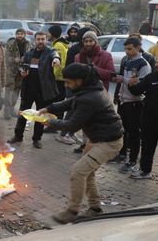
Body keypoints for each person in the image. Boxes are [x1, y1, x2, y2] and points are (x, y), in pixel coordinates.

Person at [39, 63, 123, 224]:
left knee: (78, 172)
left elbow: (72, 125)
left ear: (79, 80)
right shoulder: (90, 88)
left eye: (68, 82)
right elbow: (70, 102)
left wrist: (50, 122)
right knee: (87, 172)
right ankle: (95, 208)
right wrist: (49, 108)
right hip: (97, 138)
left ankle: (72, 210)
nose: (66, 85)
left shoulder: (90, 98)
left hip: (109, 142)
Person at [8, 31, 60, 149]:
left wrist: (56, 60)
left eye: (43, 39)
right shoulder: (29, 53)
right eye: (38, 39)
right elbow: (22, 66)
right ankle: (18, 136)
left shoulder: (50, 52)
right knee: (22, 113)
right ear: (35, 40)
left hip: (43, 90)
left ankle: (37, 139)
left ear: (46, 40)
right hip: (28, 88)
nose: (40, 41)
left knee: (40, 115)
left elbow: (55, 56)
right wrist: (22, 72)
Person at [128, 53, 158, 183]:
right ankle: (145, 171)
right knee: (147, 147)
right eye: (156, 62)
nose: (156, 65)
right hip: (149, 120)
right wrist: (132, 84)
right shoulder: (152, 76)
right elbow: (137, 91)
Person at [112, 37, 151, 170]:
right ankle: (122, 154)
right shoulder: (128, 61)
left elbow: (142, 84)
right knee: (124, 130)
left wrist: (125, 80)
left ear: (138, 47)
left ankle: (132, 161)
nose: (127, 51)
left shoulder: (143, 64)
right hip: (124, 101)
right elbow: (127, 81)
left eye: (130, 49)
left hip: (135, 103)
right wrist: (120, 88)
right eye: (125, 49)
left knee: (134, 133)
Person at [4, 28, 31, 120]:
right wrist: (14, 59)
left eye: (21, 34)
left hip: (21, 70)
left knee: (17, 90)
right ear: (16, 35)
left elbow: (31, 55)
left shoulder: (28, 44)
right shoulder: (11, 43)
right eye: (18, 34)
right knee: (9, 89)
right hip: (11, 69)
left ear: (24, 35)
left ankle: (12, 109)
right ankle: (6, 111)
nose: (20, 35)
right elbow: (5, 56)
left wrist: (26, 60)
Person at [47, 25, 68, 134]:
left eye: (49, 33)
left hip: (58, 80)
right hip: (60, 79)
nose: (47, 34)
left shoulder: (58, 46)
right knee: (59, 103)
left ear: (53, 34)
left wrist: (52, 77)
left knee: (57, 103)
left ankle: (54, 126)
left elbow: (59, 64)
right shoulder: (60, 44)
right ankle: (56, 126)